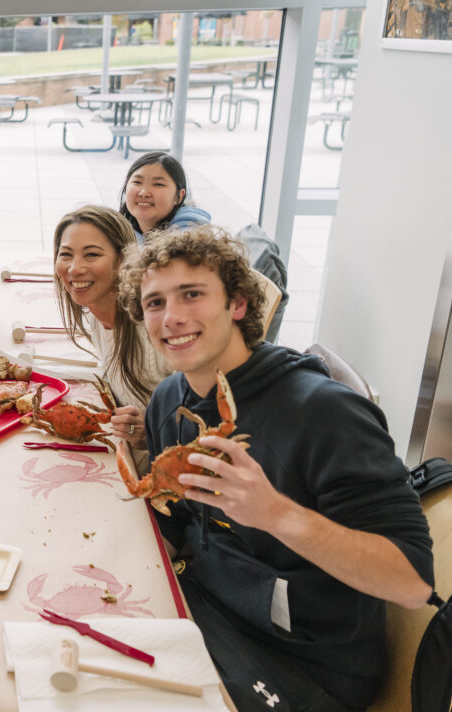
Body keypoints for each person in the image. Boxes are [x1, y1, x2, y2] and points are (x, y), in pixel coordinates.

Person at [117, 225, 433, 711]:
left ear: (238, 305)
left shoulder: (325, 413)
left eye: (192, 294)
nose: (172, 317)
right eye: (155, 303)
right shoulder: (168, 401)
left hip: (307, 665)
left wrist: (276, 514)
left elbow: (411, 583)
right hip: (207, 609)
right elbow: (178, 527)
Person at [52, 206, 171, 461]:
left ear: (122, 260)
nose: (74, 268)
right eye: (66, 254)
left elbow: (206, 428)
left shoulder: (154, 332)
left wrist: (148, 435)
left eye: (92, 255)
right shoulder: (96, 315)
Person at [116, 151, 210, 243]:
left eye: (158, 184)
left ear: (179, 196)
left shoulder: (187, 241)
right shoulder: (120, 232)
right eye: (137, 182)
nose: (144, 193)